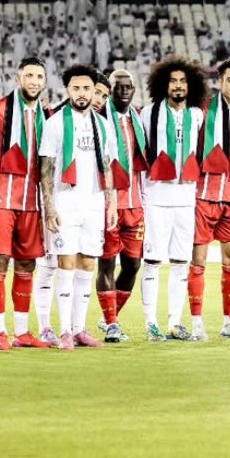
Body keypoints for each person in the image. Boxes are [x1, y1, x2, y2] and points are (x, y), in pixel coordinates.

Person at [38, 65, 115, 349]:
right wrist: (49, 207)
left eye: (87, 88)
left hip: (93, 203)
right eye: (76, 88)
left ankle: (80, 328)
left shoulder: (102, 125)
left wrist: (111, 204)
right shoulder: (56, 123)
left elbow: (107, 165)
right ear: (68, 90)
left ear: (94, 90)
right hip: (65, 203)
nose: (82, 94)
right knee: (66, 265)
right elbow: (46, 168)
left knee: (87, 264)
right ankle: (65, 331)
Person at [0, 58, 53, 350]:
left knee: (27, 264)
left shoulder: (47, 116)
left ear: (45, 81)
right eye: (29, 75)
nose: (34, 81)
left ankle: (22, 333)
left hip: (31, 201)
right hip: (0, 197)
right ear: (18, 78)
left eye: (39, 76)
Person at [139, 57, 208, 341]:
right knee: (153, 261)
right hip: (156, 198)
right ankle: (151, 323)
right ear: (162, 85)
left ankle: (175, 323)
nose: (178, 86)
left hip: (186, 199)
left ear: (191, 85)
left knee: (181, 262)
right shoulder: (147, 114)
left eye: (182, 81)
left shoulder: (197, 115)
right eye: (172, 81)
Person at [190, 59, 230, 339]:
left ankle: (229, 322)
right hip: (204, 196)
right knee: (198, 260)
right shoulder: (203, 110)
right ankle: (196, 322)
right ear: (220, 81)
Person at [95, 69, 146, 343]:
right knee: (106, 264)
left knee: (133, 265)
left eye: (128, 87)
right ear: (110, 91)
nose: (124, 91)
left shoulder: (138, 119)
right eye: (118, 87)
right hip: (109, 205)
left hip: (135, 205)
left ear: (134, 90)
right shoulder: (100, 119)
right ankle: (113, 324)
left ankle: (107, 318)